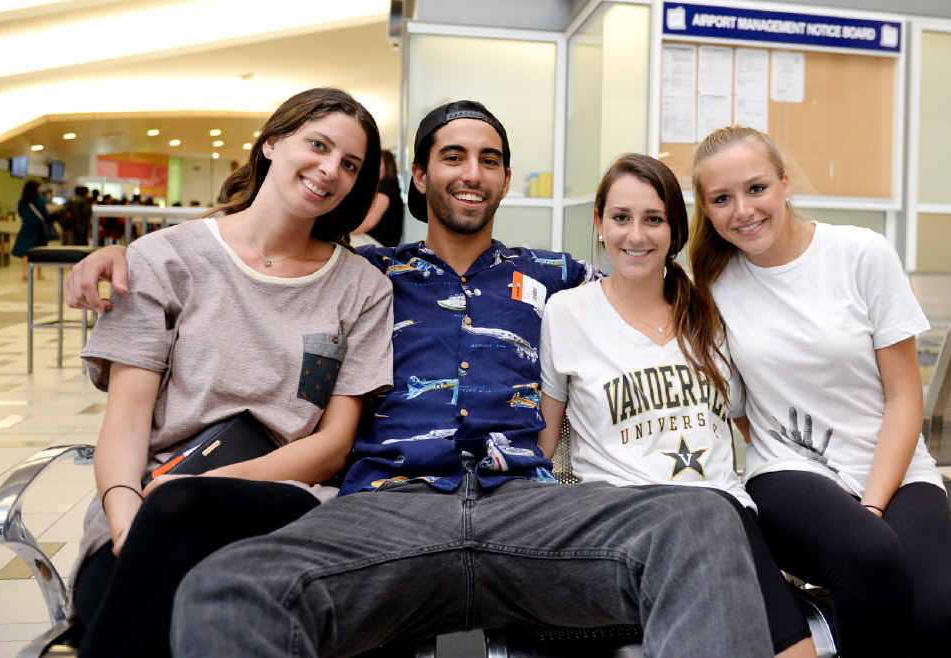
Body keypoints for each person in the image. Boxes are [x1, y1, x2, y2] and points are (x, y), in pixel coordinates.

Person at [66, 101, 773, 658]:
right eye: (453, 156)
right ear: (419, 178)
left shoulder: (560, 279)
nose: (472, 172)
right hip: (384, 512)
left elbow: (657, 266)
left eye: (490, 160)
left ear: (503, 179)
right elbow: (257, 253)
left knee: (705, 520)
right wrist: (132, 251)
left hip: (528, 509)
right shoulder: (359, 274)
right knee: (229, 590)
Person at [70, 87, 393, 658]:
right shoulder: (164, 259)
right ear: (271, 143)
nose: (330, 170)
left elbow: (333, 446)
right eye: (317, 146)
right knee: (131, 596)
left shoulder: (362, 287)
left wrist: (198, 491)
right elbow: (126, 422)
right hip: (148, 492)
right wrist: (126, 524)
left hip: (283, 499)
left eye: (349, 164)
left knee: (173, 528)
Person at [688, 125, 951, 658]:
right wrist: (806, 468)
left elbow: (905, 397)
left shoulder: (861, 254)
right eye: (722, 199)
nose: (742, 210)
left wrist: (872, 505)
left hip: (896, 469)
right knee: (867, 552)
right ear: (708, 210)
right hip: (789, 475)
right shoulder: (714, 288)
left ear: (785, 184)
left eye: (756, 188)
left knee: (939, 612)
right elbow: (741, 412)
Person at [538, 153, 816, 658]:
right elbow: (544, 439)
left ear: (675, 230)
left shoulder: (710, 313)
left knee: (777, 631)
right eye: (621, 218)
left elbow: (749, 423)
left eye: (654, 219)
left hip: (726, 514)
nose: (636, 235)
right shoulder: (567, 312)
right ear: (599, 224)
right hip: (626, 522)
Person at [353, 148, 404, 246]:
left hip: (379, 246)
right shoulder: (390, 189)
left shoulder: (385, 191)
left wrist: (344, 233)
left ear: (387, 167)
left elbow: (369, 223)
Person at [13, 179, 49, 280]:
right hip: (38, 229)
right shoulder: (40, 200)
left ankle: (25, 274)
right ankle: (39, 274)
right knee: (39, 251)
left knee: (25, 251)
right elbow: (45, 214)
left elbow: (20, 213)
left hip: (26, 228)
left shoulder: (22, 201)